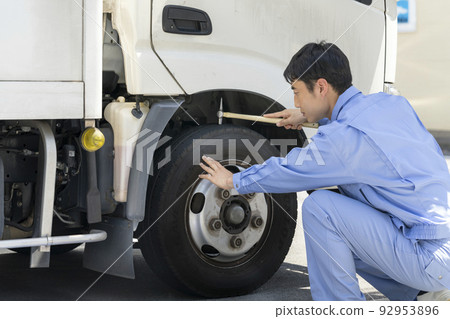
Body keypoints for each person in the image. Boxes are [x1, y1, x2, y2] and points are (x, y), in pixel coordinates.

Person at [198, 41, 450, 301]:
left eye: (297, 92)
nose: (295, 101)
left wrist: (234, 180)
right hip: (440, 245)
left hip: (427, 258)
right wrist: (309, 116)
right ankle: (426, 295)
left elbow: (291, 170)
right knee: (342, 227)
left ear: (320, 87)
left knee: (321, 209)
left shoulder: (344, 140)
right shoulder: (390, 105)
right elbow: (359, 139)